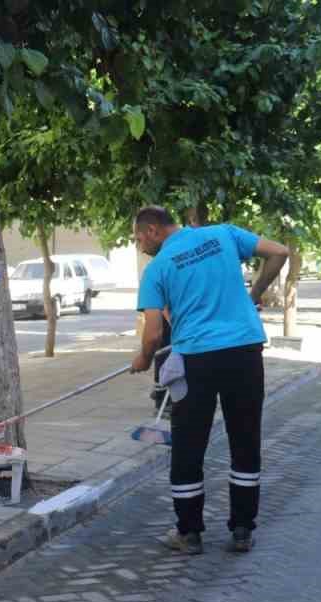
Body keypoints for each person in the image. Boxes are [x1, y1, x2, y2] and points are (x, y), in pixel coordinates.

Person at [131, 206, 289, 554]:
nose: (139, 245)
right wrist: (255, 294)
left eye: (139, 237)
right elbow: (279, 252)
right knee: (245, 439)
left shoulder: (156, 269)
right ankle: (243, 530)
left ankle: (188, 533)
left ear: (154, 230)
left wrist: (143, 358)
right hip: (245, 351)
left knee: (188, 446)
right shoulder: (224, 234)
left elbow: (153, 333)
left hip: (196, 360)